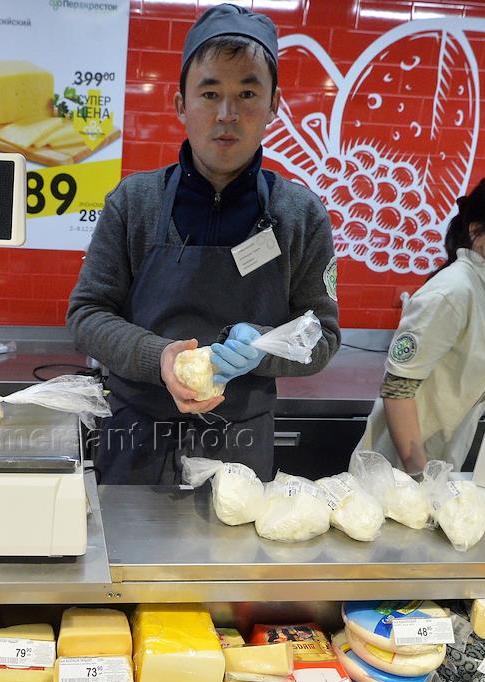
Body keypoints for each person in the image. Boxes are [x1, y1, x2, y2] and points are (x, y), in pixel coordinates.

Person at [66, 3, 340, 486]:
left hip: (240, 446)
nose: (226, 115)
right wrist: (160, 358)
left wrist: (263, 346)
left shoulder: (300, 216)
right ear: (180, 104)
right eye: (210, 93)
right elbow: (87, 314)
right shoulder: (135, 202)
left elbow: (323, 336)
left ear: (274, 104)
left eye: (247, 94)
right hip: (136, 439)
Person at [358, 169, 485, 474]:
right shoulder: (452, 292)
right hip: (399, 471)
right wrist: (419, 475)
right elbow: (398, 388)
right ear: (478, 232)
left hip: (440, 462)